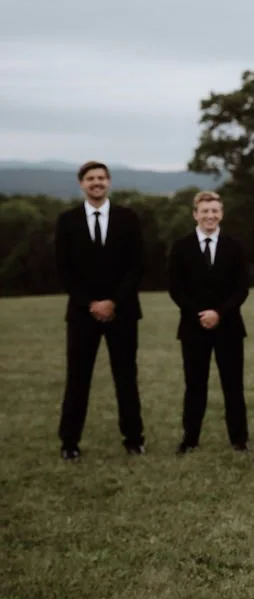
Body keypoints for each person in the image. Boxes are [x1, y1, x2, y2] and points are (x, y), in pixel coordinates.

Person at [54, 161, 145, 459]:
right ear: (81, 183)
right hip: (82, 314)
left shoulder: (127, 218)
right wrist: (90, 303)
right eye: (91, 178)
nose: (97, 183)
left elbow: (136, 266)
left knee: (126, 377)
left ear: (109, 182)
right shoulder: (67, 221)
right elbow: (63, 269)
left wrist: (113, 302)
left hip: (123, 311)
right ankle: (69, 443)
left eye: (101, 178)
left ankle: (134, 439)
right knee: (78, 378)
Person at [168, 191, 250, 454]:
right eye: (205, 211)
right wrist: (200, 314)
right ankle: (190, 439)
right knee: (195, 386)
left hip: (229, 327)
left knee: (233, 385)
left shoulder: (235, 246)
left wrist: (219, 314)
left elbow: (242, 289)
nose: (210, 215)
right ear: (195, 214)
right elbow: (176, 289)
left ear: (221, 213)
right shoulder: (181, 247)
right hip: (193, 328)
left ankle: (239, 440)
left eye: (214, 211)